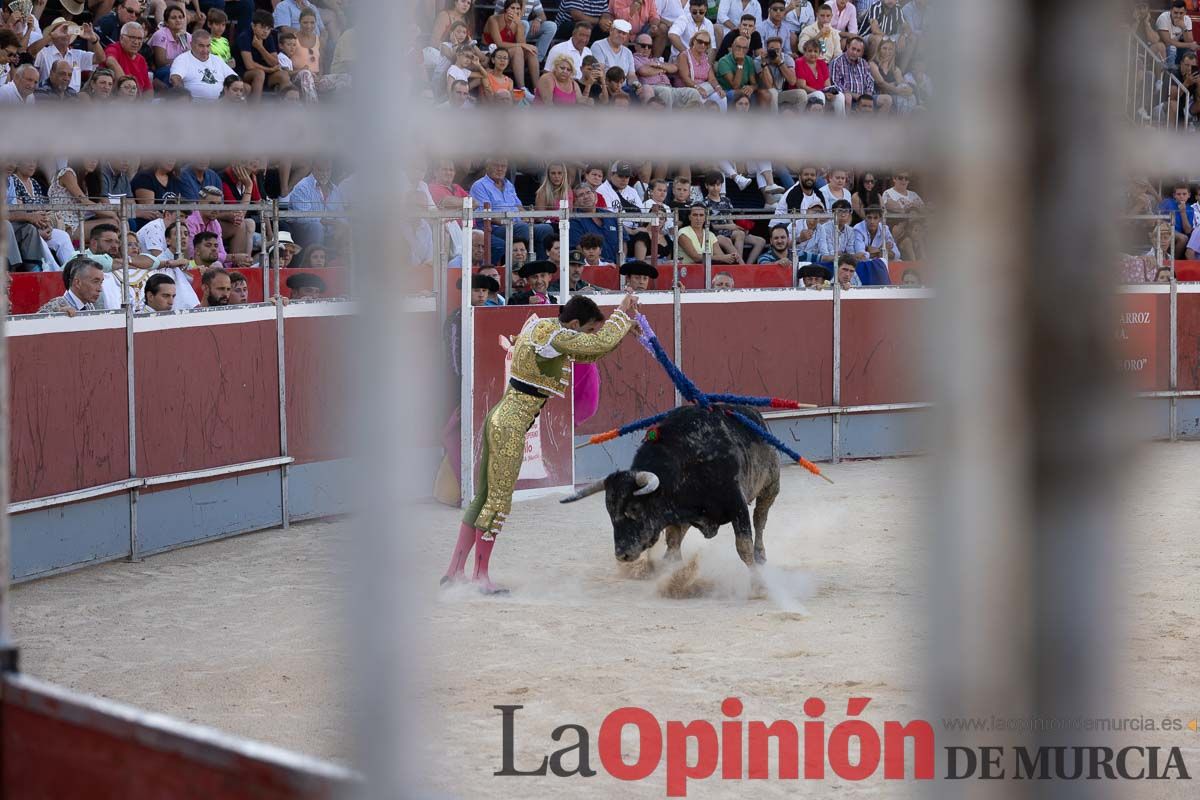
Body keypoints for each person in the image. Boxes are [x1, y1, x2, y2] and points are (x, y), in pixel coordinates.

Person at [443, 292, 640, 593]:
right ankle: (480, 577)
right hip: (510, 426)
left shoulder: (545, 327)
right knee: (496, 502)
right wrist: (622, 314)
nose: (589, 337)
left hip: (499, 417)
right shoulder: (557, 335)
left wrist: (624, 328)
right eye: (587, 329)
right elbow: (596, 346)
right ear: (574, 324)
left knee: (483, 497)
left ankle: (455, 571)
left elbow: (590, 352)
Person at [470, 158, 555, 263]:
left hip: (516, 225)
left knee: (545, 229)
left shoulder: (508, 184)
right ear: (487, 167)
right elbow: (485, 214)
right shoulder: (479, 185)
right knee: (522, 228)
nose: (500, 169)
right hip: (494, 228)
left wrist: (529, 217)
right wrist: (511, 222)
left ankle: (540, 265)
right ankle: (521, 266)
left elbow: (518, 206)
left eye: (503, 166)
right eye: (496, 165)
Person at [484, 0, 539, 90]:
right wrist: (521, 45)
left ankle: (537, 90)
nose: (515, 11)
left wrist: (519, 25)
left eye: (518, 9)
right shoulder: (494, 19)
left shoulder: (518, 23)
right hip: (492, 53)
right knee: (517, 50)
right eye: (512, 8)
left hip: (508, 54)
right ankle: (522, 88)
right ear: (506, 9)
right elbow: (499, 44)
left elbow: (523, 44)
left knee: (531, 52)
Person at [170, 28, 236, 100]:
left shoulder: (217, 60)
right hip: (195, 105)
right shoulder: (182, 59)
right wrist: (184, 99)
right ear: (191, 44)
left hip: (220, 104)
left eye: (208, 46)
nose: (205, 50)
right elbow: (175, 78)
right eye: (201, 46)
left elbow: (234, 79)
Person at [829, 36, 888, 111]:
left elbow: (870, 81)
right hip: (848, 97)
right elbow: (835, 84)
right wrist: (856, 96)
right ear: (847, 47)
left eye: (858, 50)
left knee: (887, 99)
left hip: (863, 97)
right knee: (848, 97)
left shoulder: (863, 63)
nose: (854, 52)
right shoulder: (837, 62)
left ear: (862, 52)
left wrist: (867, 96)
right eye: (853, 49)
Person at [39, 256, 106, 315]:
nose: (100, 289)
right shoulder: (55, 308)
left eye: (101, 282)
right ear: (77, 283)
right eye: (95, 282)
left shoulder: (90, 306)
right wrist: (57, 318)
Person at [104, 21, 153, 97]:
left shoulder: (141, 60)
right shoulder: (114, 48)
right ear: (121, 38)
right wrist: (126, 85)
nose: (136, 42)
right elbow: (111, 61)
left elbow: (148, 89)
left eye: (140, 39)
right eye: (132, 37)